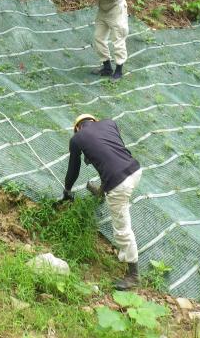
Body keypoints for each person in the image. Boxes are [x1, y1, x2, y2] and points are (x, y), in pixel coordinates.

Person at [60, 113, 143, 290]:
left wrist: (67, 190)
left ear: (77, 128)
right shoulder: (110, 123)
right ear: (94, 121)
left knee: (122, 229)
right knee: (110, 169)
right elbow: (110, 153)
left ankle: (133, 276)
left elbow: (73, 169)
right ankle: (100, 192)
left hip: (119, 184)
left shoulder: (77, 139)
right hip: (135, 171)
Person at [84, 0, 128, 80]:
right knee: (98, 37)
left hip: (116, 9)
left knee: (118, 39)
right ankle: (107, 67)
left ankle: (119, 69)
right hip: (103, 8)